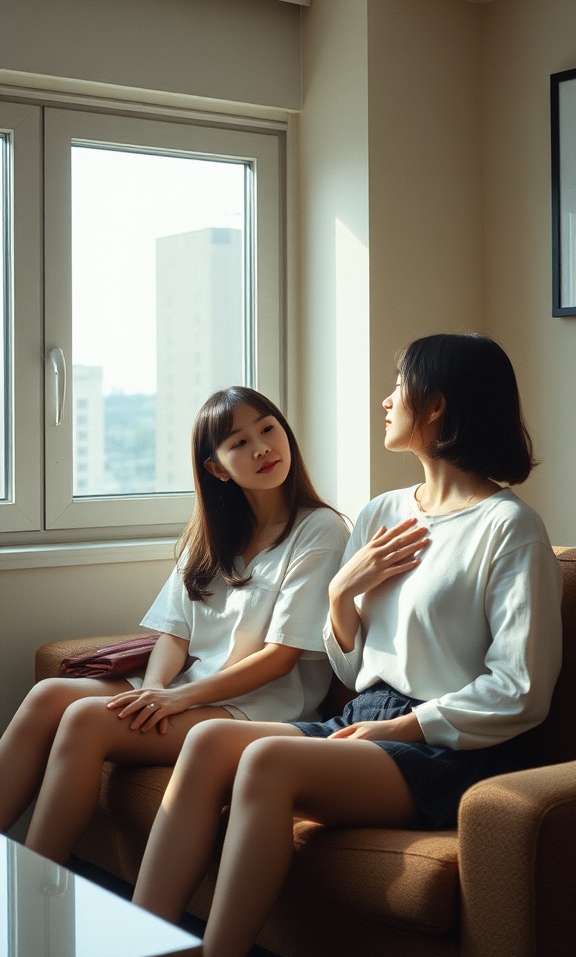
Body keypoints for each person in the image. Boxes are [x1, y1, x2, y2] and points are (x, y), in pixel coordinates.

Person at [131, 333, 563, 957]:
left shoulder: (510, 529)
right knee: (206, 740)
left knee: (264, 762)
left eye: (399, 386)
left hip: (449, 748)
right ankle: (144, 941)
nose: (387, 401)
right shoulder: (382, 513)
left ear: (436, 405)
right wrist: (340, 596)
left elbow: (521, 690)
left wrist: (405, 730)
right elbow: (353, 667)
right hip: (364, 716)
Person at [0, 386, 349, 865]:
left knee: (85, 719)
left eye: (268, 429)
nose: (262, 447)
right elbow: (174, 633)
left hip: (260, 709)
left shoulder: (321, 530)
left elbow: (280, 658)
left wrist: (177, 698)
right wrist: (158, 688)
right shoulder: (212, 535)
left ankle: (34, 893)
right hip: (191, 689)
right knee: (48, 696)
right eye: (239, 443)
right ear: (216, 468)